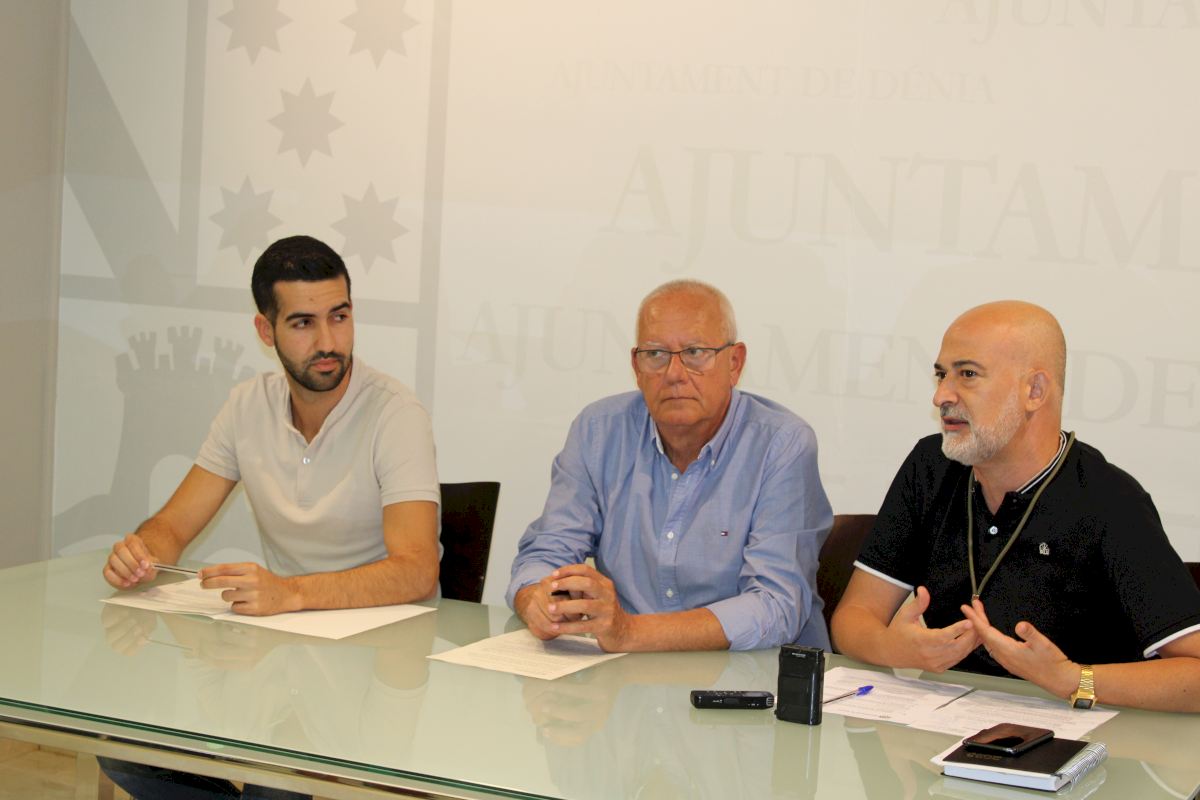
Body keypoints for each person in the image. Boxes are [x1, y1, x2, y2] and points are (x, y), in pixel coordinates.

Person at [99, 234, 440, 798]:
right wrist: (142, 553)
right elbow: (174, 526)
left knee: (274, 787)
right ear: (265, 331)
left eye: (340, 317)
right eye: (304, 323)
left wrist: (291, 593)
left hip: (374, 659)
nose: (328, 342)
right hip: (281, 652)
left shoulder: (396, 414)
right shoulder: (245, 406)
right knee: (127, 751)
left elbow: (417, 570)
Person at [831, 300, 1200, 712]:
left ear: (1034, 391)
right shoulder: (930, 467)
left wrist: (1071, 678)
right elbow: (853, 617)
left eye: (967, 374)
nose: (940, 396)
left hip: (1076, 738)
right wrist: (893, 648)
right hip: (942, 729)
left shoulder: (1111, 501)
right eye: (941, 374)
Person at [507, 279, 832, 652]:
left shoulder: (782, 444)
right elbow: (547, 551)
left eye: (695, 352)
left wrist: (631, 632)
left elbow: (777, 606)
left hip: (754, 674)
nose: (674, 373)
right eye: (656, 354)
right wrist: (537, 600)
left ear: (735, 363)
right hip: (628, 672)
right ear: (636, 366)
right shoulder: (598, 431)